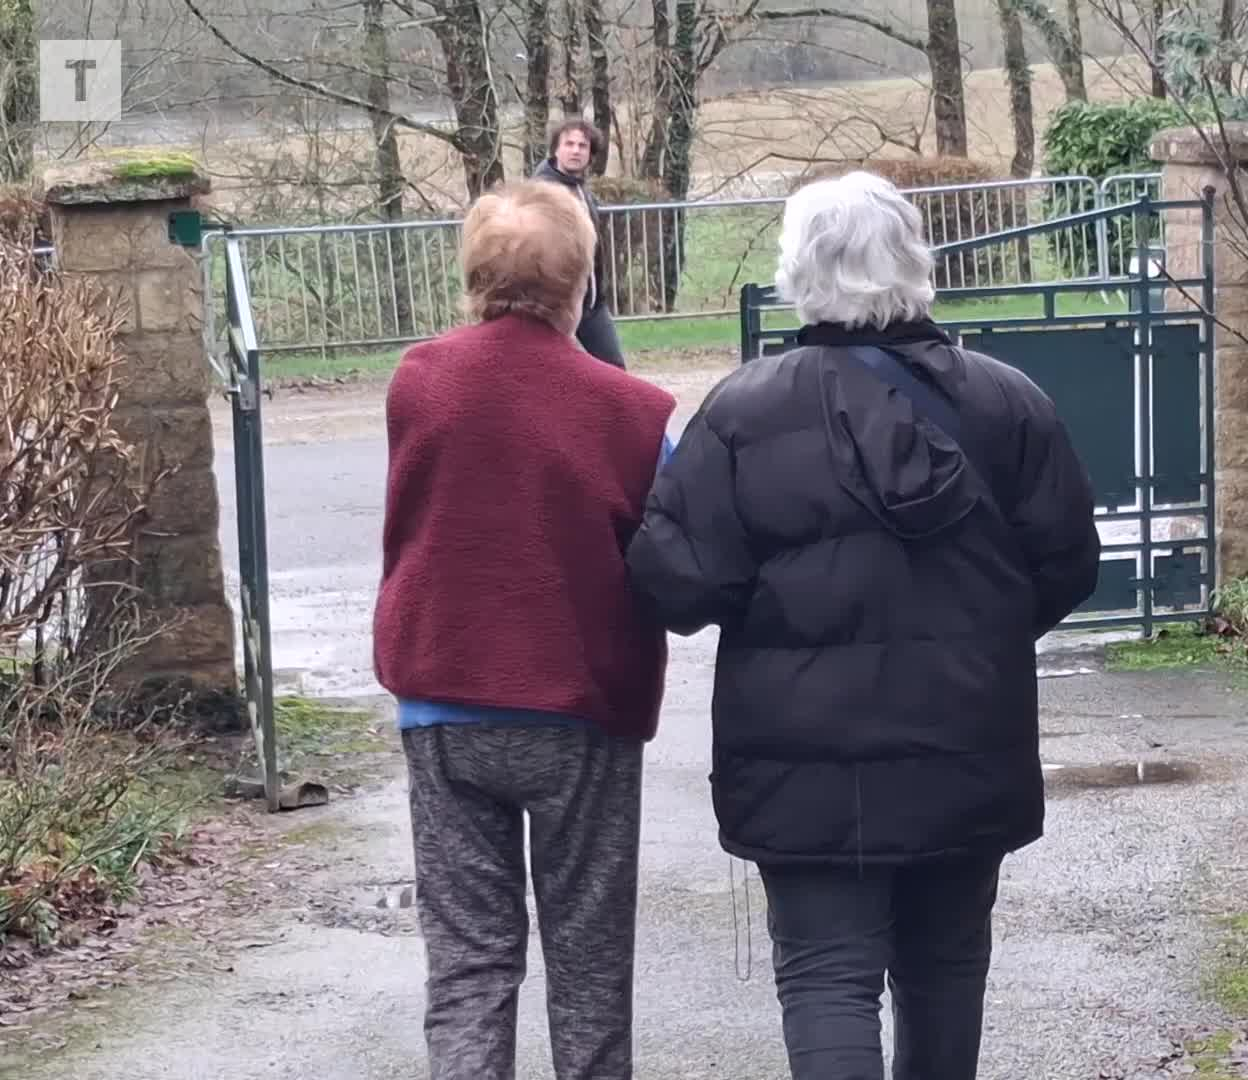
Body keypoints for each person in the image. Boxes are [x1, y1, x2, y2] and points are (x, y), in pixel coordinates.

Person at [624, 170, 1104, 1080]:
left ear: (798, 272)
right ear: (914, 262)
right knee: (946, 968)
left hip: (800, 764)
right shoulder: (1008, 404)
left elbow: (676, 585)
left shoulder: (742, 413)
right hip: (967, 742)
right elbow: (1068, 563)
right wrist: (983, 635)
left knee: (826, 977)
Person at [371, 178, 677, 1080]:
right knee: (587, 964)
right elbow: (671, 549)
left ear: (471, 276)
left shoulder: (418, 381)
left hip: (444, 696)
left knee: (468, 960)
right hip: (579, 703)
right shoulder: (634, 410)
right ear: (580, 284)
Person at [533, 117, 625, 368]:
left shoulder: (581, 190)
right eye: (569, 144)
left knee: (614, 371)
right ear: (556, 149)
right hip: (555, 307)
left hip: (592, 304)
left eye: (582, 145)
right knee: (558, 377)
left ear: (591, 154)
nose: (575, 150)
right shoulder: (542, 193)